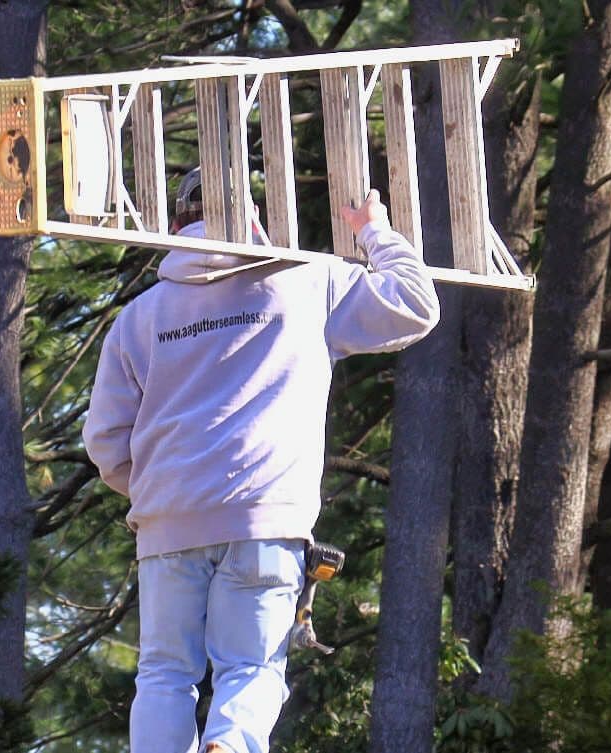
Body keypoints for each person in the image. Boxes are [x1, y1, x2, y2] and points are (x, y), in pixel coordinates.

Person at [82, 168, 440, 753]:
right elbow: (415, 306)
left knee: (165, 674)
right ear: (254, 221)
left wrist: (163, 494)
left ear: (178, 225)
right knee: (251, 669)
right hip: (265, 520)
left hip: (168, 526)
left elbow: (105, 441)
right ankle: (229, 745)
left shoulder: (139, 319)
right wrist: (375, 232)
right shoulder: (307, 281)